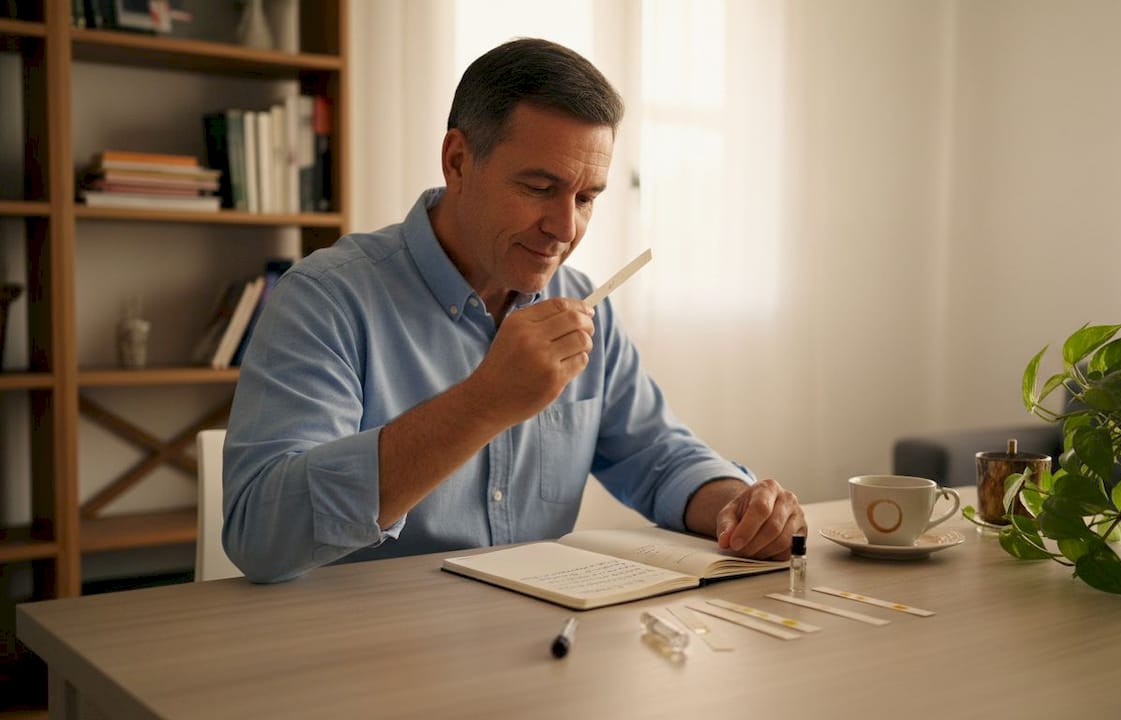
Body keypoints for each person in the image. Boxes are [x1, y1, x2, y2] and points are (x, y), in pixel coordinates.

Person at [222, 37, 805, 583]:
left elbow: (658, 457)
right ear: (457, 161)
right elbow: (260, 537)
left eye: (586, 198)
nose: (565, 228)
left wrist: (737, 504)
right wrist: (484, 403)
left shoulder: (579, 300)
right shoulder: (326, 298)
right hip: (364, 659)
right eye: (538, 188)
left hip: (538, 645)